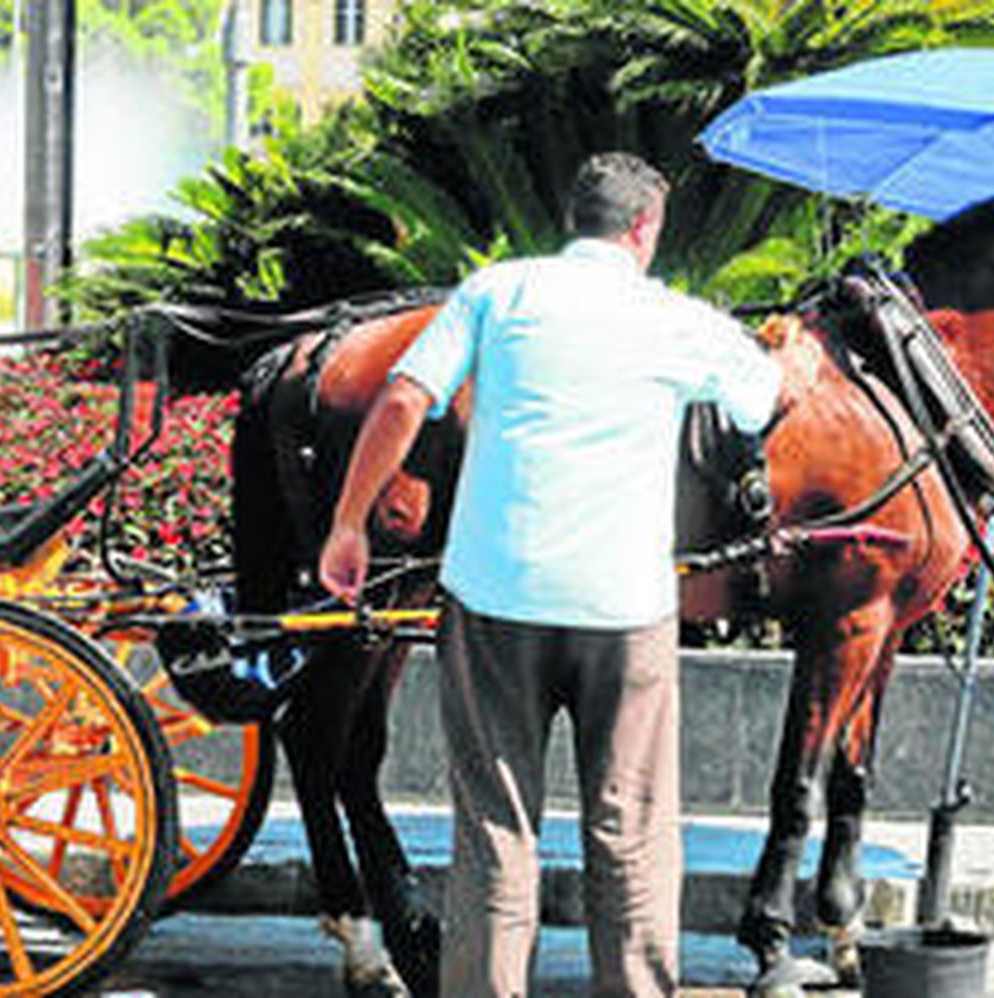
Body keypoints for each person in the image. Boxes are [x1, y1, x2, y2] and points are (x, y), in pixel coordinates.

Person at [318, 151, 785, 997]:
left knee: (497, 830)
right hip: (625, 606)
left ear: (576, 219)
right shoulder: (676, 317)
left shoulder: (498, 291)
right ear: (645, 229)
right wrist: (787, 357)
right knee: (631, 829)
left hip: (495, 597)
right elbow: (762, 401)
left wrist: (349, 525)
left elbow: (399, 401)